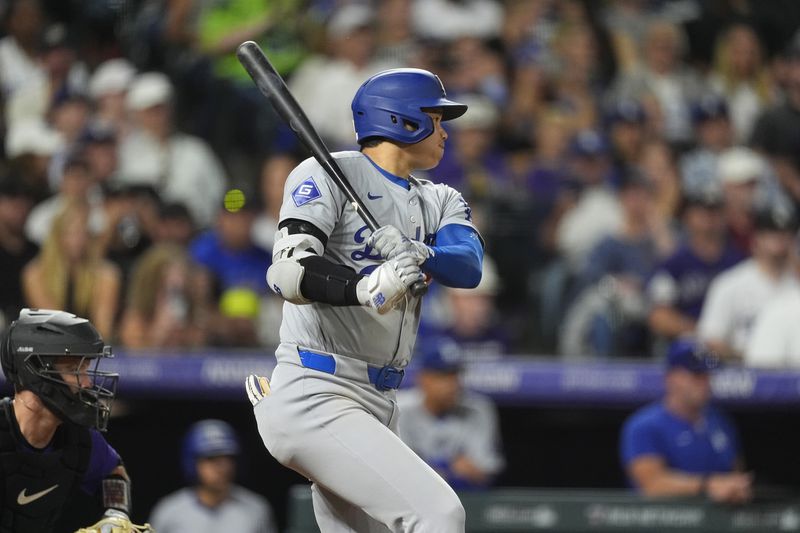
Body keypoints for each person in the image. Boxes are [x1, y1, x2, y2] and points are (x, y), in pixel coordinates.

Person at [246, 68, 482, 532]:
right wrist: (364, 285)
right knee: (438, 514)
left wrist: (422, 252)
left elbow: (469, 264)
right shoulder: (325, 173)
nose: (445, 131)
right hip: (318, 389)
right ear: (403, 121)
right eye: (437, 118)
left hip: (378, 400)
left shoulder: (440, 198)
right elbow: (286, 271)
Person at [0, 308, 151, 533]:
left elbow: (113, 474)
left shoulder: (81, 441)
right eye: (74, 370)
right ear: (35, 371)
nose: (87, 384)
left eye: (86, 370)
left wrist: (115, 514)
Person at [620, 338, 752, 504]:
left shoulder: (720, 422)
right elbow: (652, 485)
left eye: (707, 375)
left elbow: (734, 474)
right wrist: (708, 485)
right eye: (697, 375)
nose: (705, 383)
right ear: (672, 377)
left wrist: (736, 488)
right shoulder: (644, 425)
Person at [397, 339, 504, 490]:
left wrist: (433, 469)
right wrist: (451, 467)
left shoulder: (478, 409)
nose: (452, 384)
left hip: (468, 500)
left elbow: (483, 474)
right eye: (442, 376)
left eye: (455, 375)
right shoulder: (400, 408)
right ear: (423, 378)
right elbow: (400, 473)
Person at [697, 203, 799, 360]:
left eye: (786, 234)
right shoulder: (730, 283)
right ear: (756, 238)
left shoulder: (796, 284)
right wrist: (751, 356)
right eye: (772, 233)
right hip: (740, 374)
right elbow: (709, 341)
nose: (780, 241)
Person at [149, 419, 276, 533]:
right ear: (193, 463)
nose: (222, 468)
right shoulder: (169, 511)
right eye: (211, 459)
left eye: (227, 458)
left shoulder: (256, 510)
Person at [21, 200, 121, 340]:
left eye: (82, 233)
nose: (78, 240)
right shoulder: (35, 273)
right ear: (57, 236)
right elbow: (53, 323)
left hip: (90, 347)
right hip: (49, 345)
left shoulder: (106, 275)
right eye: (71, 233)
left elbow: (103, 328)